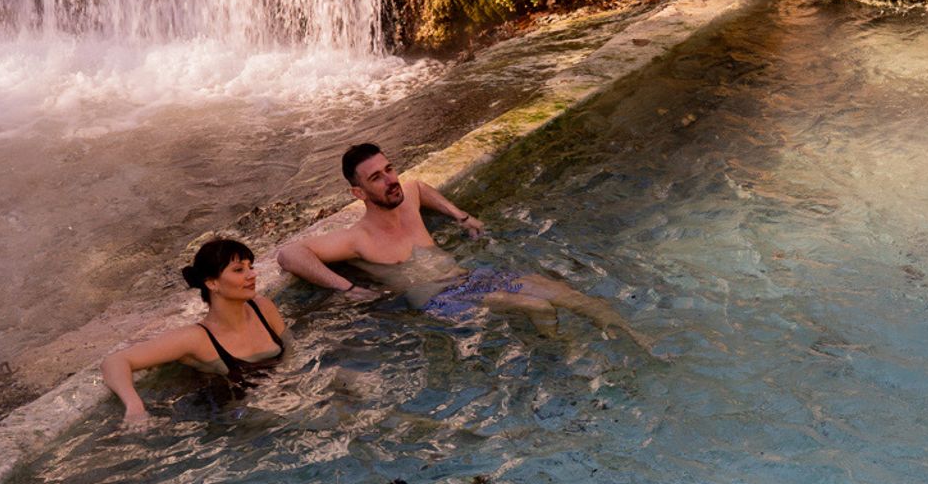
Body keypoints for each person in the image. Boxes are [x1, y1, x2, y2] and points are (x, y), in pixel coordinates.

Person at [278, 142, 646, 344]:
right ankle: (563, 356)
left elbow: (419, 186)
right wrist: (347, 288)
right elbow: (289, 253)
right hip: (440, 300)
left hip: (471, 278)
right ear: (358, 192)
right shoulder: (357, 238)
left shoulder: (406, 201)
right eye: (377, 177)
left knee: (564, 292)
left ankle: (636, 339)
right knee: (536, 306)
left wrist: (461, 216)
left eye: (390, 169)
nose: (390, 180)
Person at [101, 238, 291, 427]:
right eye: (239, 270)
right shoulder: (197, 338)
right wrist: (135, 406)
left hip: (284, 401)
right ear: (212, 283)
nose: (252, 275)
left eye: (251, 267)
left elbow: (291, 353)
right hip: (239, 423)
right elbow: (114, 362)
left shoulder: (263, 308)